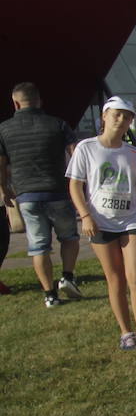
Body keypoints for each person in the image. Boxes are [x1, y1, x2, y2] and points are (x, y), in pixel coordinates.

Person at [68, 96, 136, 349]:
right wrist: (85, 215)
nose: (121, 120)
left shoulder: (132, 152)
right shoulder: (86, 148)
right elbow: (75, 185)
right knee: (115, 278)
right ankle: (126, 332)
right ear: (104, 116)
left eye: (127, 117)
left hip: (131, 219)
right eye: (117, 114)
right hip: (100, 221)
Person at [0, 81, 82, 308]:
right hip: (58, 191)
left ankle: (49, 295)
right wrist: (77, 184)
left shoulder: (4, 129)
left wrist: (4, 189)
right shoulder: (58, 124)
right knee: (69, 238)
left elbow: (1, 164)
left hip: (27, 195)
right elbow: (75, 154)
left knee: (38, 246)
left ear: (16, 103)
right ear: (39, 101)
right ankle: (67, 276)